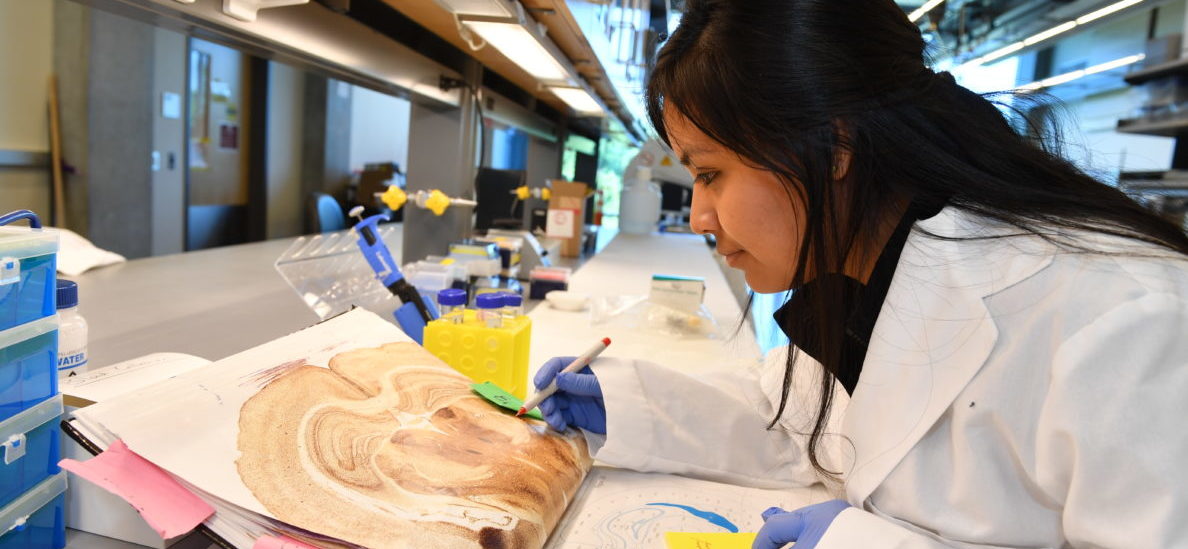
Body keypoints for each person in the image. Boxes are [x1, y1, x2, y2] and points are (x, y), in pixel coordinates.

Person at [533, 0, 1188, 547]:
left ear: (833, 147)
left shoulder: (1130, 317)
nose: (700, 216)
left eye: (710, 173)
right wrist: (627, 405)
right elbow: (800, 429)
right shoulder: (867, 266)